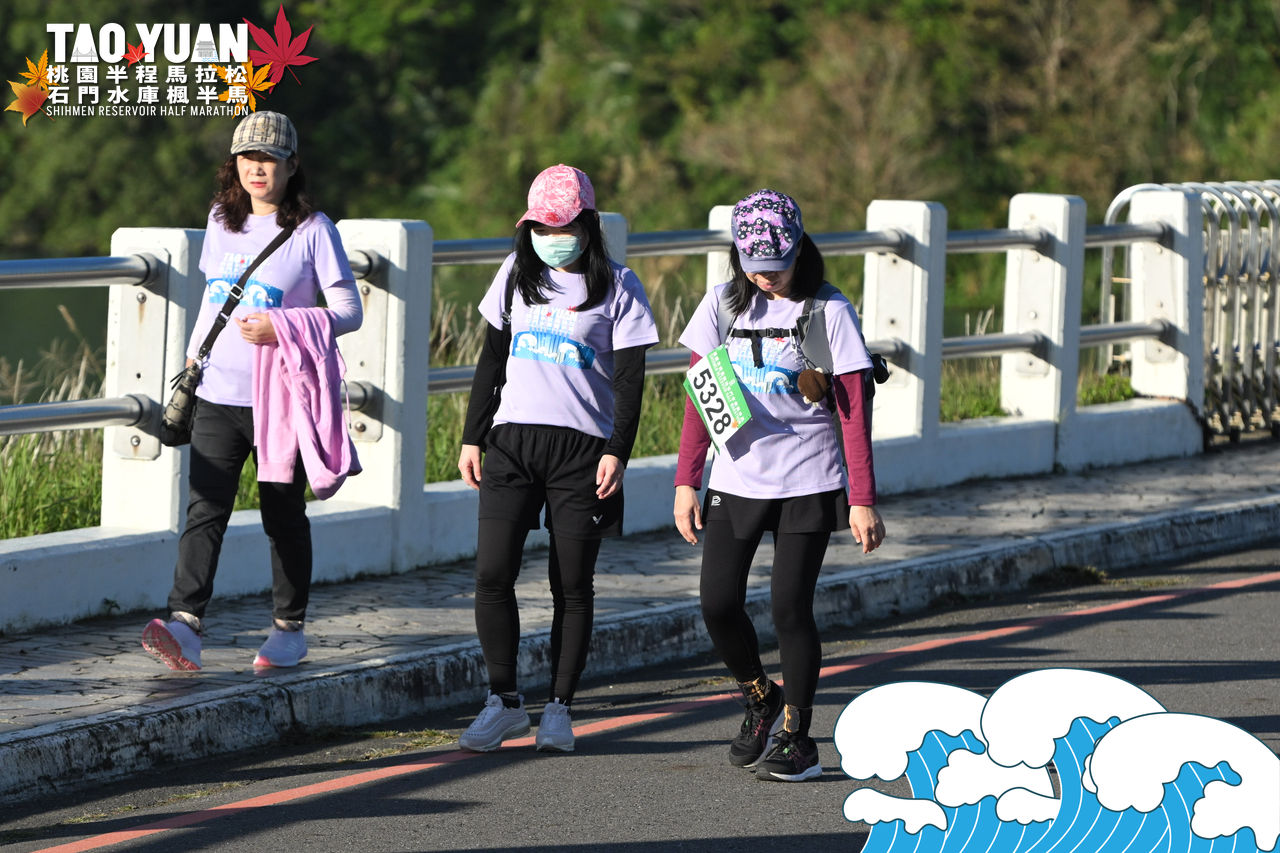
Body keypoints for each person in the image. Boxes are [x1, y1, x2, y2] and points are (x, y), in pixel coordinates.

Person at [673, 189, 886, 782]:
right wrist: (687, 481)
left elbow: (853, 412)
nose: (765, 276)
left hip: (808, 477)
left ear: (799, 250)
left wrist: (862, 499)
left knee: (790, 607)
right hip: (736, 476)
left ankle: (799, 738)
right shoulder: (721, 305)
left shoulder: (827, 310)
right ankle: (760, 696)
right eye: (754, 266)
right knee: (717, 603)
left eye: (777, 265)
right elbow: (699, 395)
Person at [141, 111, 363, 672]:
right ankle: (185, 624)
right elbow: (214, 298)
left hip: (280, 399)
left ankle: (289, 628)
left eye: (268, 158)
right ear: (234, 164)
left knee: (281, 514)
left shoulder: (314, 230)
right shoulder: (222, 220)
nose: (257, 168)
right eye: (247, 158)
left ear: (291, 165)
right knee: (205, 507)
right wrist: (192, 361)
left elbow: (348, 311)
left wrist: (282, 326)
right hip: (218, 391)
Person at [456, 164, 659, 753]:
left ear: (588, 224)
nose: (552, 237)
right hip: (511, 444)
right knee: (492, 573)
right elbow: (491, 361)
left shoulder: (620, 286)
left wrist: (618, 450)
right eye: (541, 227)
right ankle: (503, 701)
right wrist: (472, 437)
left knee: (571, 583)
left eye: (563, 225)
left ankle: (560, 707)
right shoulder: (515, 275)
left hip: (584, 452)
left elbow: (630, 382)